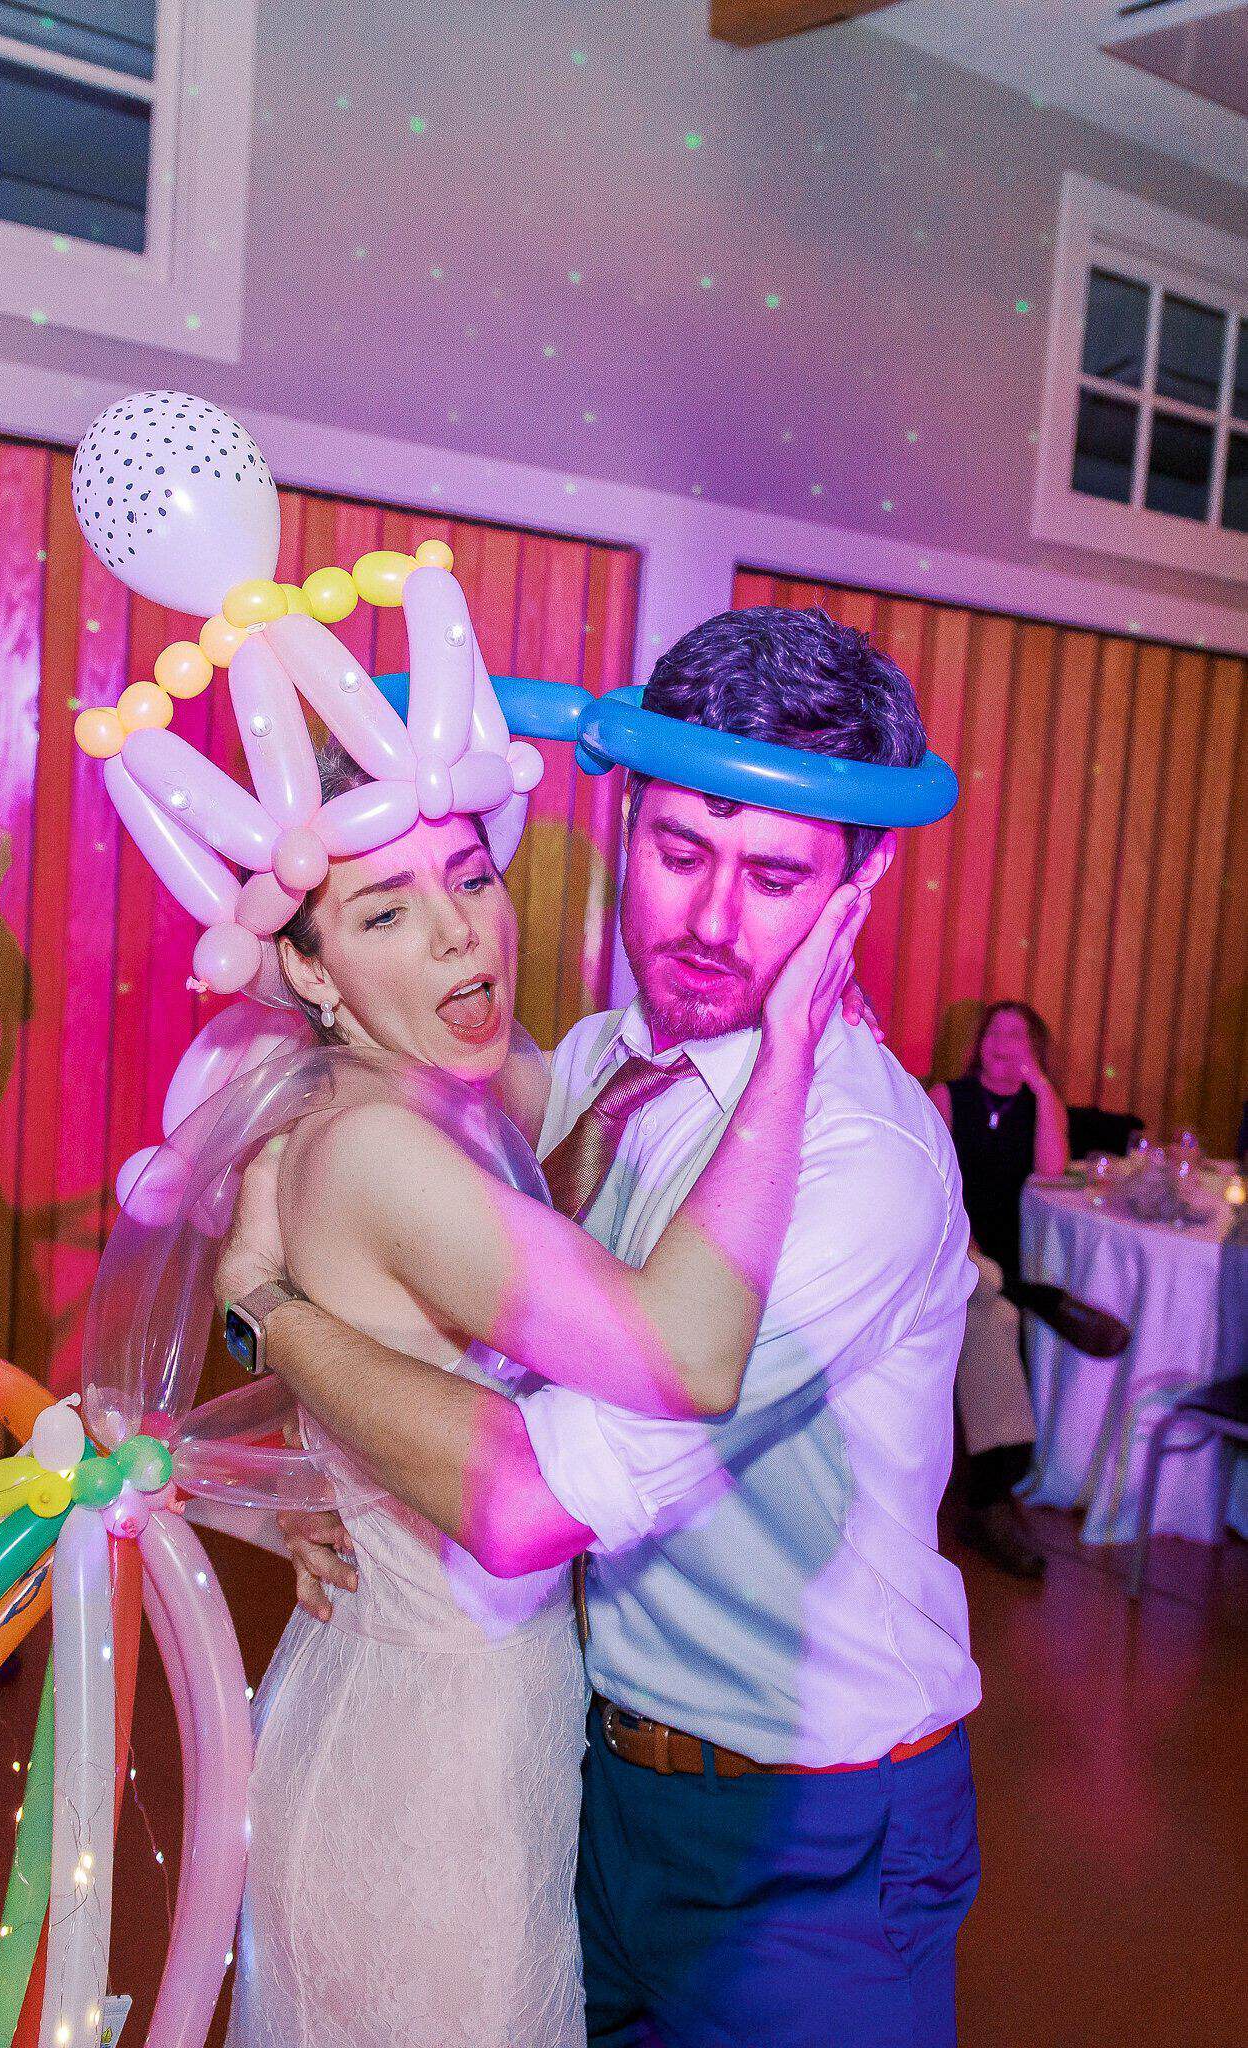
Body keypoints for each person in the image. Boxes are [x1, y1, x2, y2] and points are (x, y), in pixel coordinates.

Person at [227, 606, 983, 2048]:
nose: (707, 921)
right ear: (620, 816)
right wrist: (331, 1482)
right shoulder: (595, 1061)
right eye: (679, 853)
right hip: (594, 1777)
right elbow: (418, 1266)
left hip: (805, 1833)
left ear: (861, 883)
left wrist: (262, 1313)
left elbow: (522, 1498)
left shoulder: (852, 1170)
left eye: (774, 879)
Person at [929, 1002, 1067, 1579]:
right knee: (1002, 1311)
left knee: (999, 1310)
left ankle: (989, 1498)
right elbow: (931, 1180)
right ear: (977, 1043)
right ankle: (989, 1502)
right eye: (995, 1033)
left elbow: (1053, 1172)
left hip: (1004, 1257)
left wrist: (1039, 1085)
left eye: (1019, 1037)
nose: (1005, 1043)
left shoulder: (1036, 1107)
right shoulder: (947, 1096)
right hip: (952, 1245)